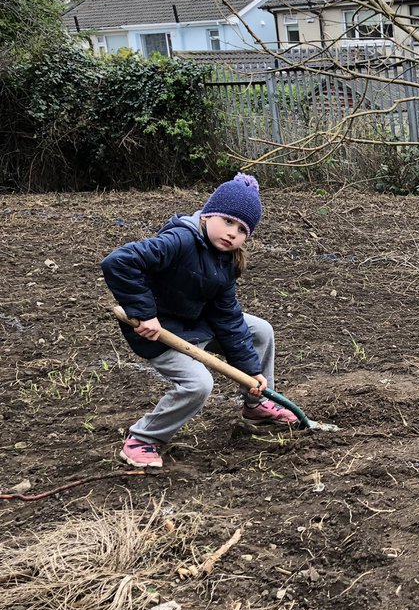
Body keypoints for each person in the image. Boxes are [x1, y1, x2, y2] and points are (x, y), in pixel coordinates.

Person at [101, 173, 297, 470]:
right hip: (158, 333)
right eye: (228, 221)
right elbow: (119, 262)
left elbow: (228, 317)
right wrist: (144, 313)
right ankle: (142, 439)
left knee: (260, 331)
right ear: (207, 215)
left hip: (196, 322)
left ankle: (257, 403)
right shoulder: (179, 240)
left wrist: (252, 371)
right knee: (198, 384)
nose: (233, 233)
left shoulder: (226, 260)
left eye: (242, 229)